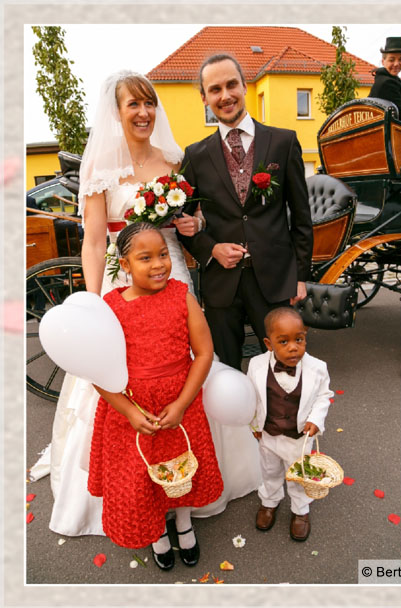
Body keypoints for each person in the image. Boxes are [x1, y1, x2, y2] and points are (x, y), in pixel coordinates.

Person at [43, 71, 260, 540]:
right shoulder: (100, 167)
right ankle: (139, 494)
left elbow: (190, 219)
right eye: (132, 105)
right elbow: (96, 240)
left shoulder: (172, 159)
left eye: (149, 103)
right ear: (116, 112)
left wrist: (191, 223)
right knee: (128, 376)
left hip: (173, 272)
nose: (143, 112)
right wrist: (94, 301)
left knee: (177, 368)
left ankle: (186, 489)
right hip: (124, 282)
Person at [88, 223, 223, 567]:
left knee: (182, 467)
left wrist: (181, 404)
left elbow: (204, 353)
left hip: (179, 403)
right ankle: (159, 530)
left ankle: (183, 522)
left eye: (163, 254)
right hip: (133, 409)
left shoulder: (182, 296)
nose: (159, 264)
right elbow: (96, 370)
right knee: (142, 473)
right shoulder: (111, 308)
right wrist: (129, 412)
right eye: (145, 257)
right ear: (125, 264)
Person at [177, 54, 313, 370]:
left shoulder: (283, 141)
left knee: (283, 369)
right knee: (225, 370)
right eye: (215, 89)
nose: (225, 96)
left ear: (244, 85)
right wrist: (210, 248)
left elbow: (302, 216)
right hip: (221, 284)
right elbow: (181, 222)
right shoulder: (195, 155)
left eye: (231, 84)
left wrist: (301, 277)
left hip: (276, 279)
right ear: (204, 98)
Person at [248, 308, 333, 542]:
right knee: (270, 470)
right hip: (269, 434)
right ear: (268, 343)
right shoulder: (256, 365)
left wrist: (316, 419)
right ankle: (269, 501)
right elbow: (251, 397)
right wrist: (254, 425)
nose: (293, 347)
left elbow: (324, 395)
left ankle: (300, 510)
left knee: (299, 475)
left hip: (299, 438)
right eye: (283, 342)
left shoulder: (317, 367)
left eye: (299, 339)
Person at [367, 37, 401, 120]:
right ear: (383, 62)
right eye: (392, 60)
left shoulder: (393, 79)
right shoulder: (387, 83)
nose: (396, 64)